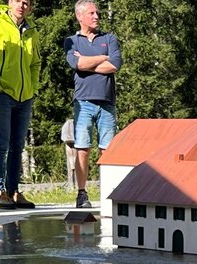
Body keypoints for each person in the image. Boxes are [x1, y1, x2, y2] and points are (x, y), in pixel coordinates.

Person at [0, 0, 41, 210]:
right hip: (1, 93)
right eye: (17, 1)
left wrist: (33, 88)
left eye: (26, 3)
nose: (21, 6)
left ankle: (13, 190)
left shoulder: (31, 30)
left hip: (25, 96)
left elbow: (35, 62)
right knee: (1, 143)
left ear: (30, 7)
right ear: (9, 2)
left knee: (18, 145)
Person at [65, 0, 121, 209]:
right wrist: (102, 58)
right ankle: (81, 193)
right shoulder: (71, 41)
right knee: (83, 149)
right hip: (83, 102)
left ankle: (109, 193)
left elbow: (114, 65)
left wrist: (87, 63)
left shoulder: (110, 38)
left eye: (97, 12)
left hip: (107, 102)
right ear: (79, 16)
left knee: (108, 150)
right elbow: (76, 63)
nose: (96, 16)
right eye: (91, 13)